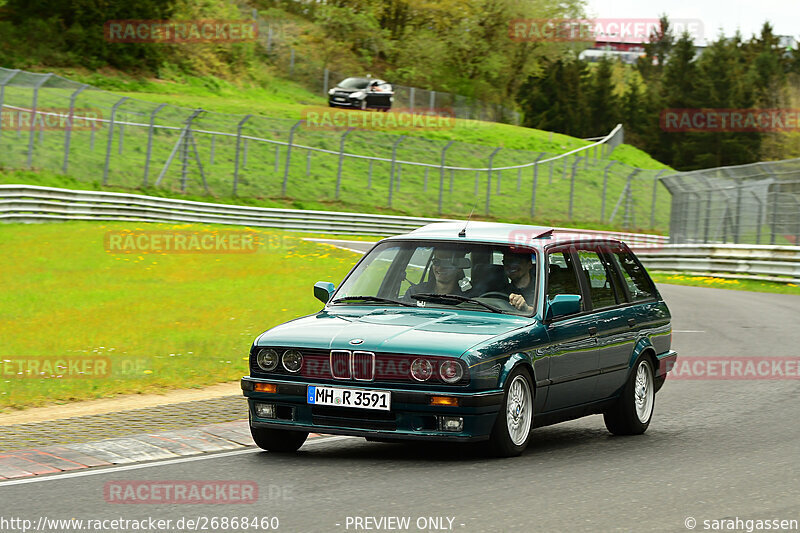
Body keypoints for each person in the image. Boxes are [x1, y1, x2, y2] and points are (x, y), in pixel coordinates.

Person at [404, 248, 469, 300]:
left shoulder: (467, 299)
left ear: (459, 268)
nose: (440, 268)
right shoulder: (415, 293)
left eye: (446, 263)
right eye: (436, 262)